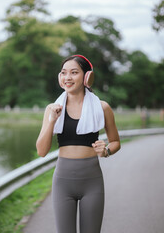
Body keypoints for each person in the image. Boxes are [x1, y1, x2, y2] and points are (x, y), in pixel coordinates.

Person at [36, 55, 121, 233]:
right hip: (63, 183)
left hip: (92, 182)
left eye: (74, 72)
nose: (68, 77)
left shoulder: (102, 107)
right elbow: (41, 151)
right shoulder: (52, 109)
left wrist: (105, 151)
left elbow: (115, 142)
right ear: (60, 78)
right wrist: (52, 121)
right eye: (64, 73)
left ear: (87, 77)